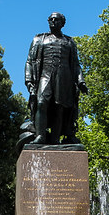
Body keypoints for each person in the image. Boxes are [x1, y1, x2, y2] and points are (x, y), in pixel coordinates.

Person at [24, 12, 88, 145]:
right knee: (41, 103)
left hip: (64, 77)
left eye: (56, 20)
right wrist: (29, 80)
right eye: (51, 19)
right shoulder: (39, 39)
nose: (53, 21)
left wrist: (81, 81)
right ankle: (40, 135)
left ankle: (55, 139)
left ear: (62, 23)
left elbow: (76, 64)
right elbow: (30, 61)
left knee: (60, 108)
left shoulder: (69, 42)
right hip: (45, 75)